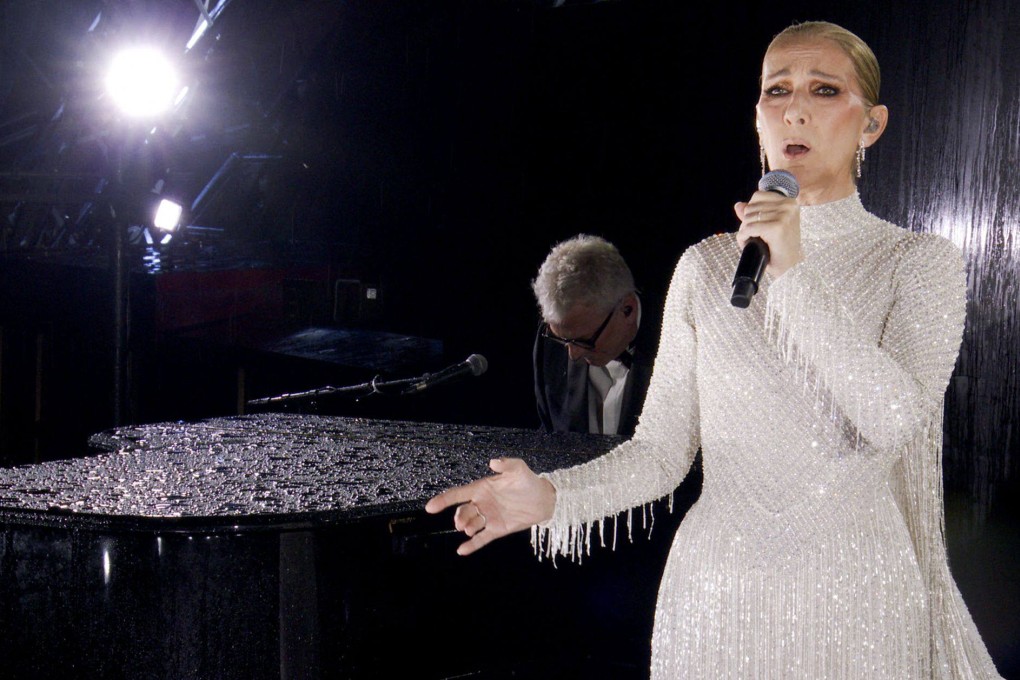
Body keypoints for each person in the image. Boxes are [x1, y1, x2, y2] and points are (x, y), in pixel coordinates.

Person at [427, 20, 1003, 679]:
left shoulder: (919, 263)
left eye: (823, 90)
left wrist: (794, 273)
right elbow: (662, 454)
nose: (794, 108)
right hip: (715, 603)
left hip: (858, 604)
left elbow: (896, 418)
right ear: (757, 116)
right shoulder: (705, 267)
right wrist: (553, 498)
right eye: (776, 90)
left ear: (870, 124)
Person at [532, 234, 656, 437]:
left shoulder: (682, 342)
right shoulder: (552, 341)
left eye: (584, 340)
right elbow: (551, 438)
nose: (572, 354)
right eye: (563, 339)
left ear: (628, 309)